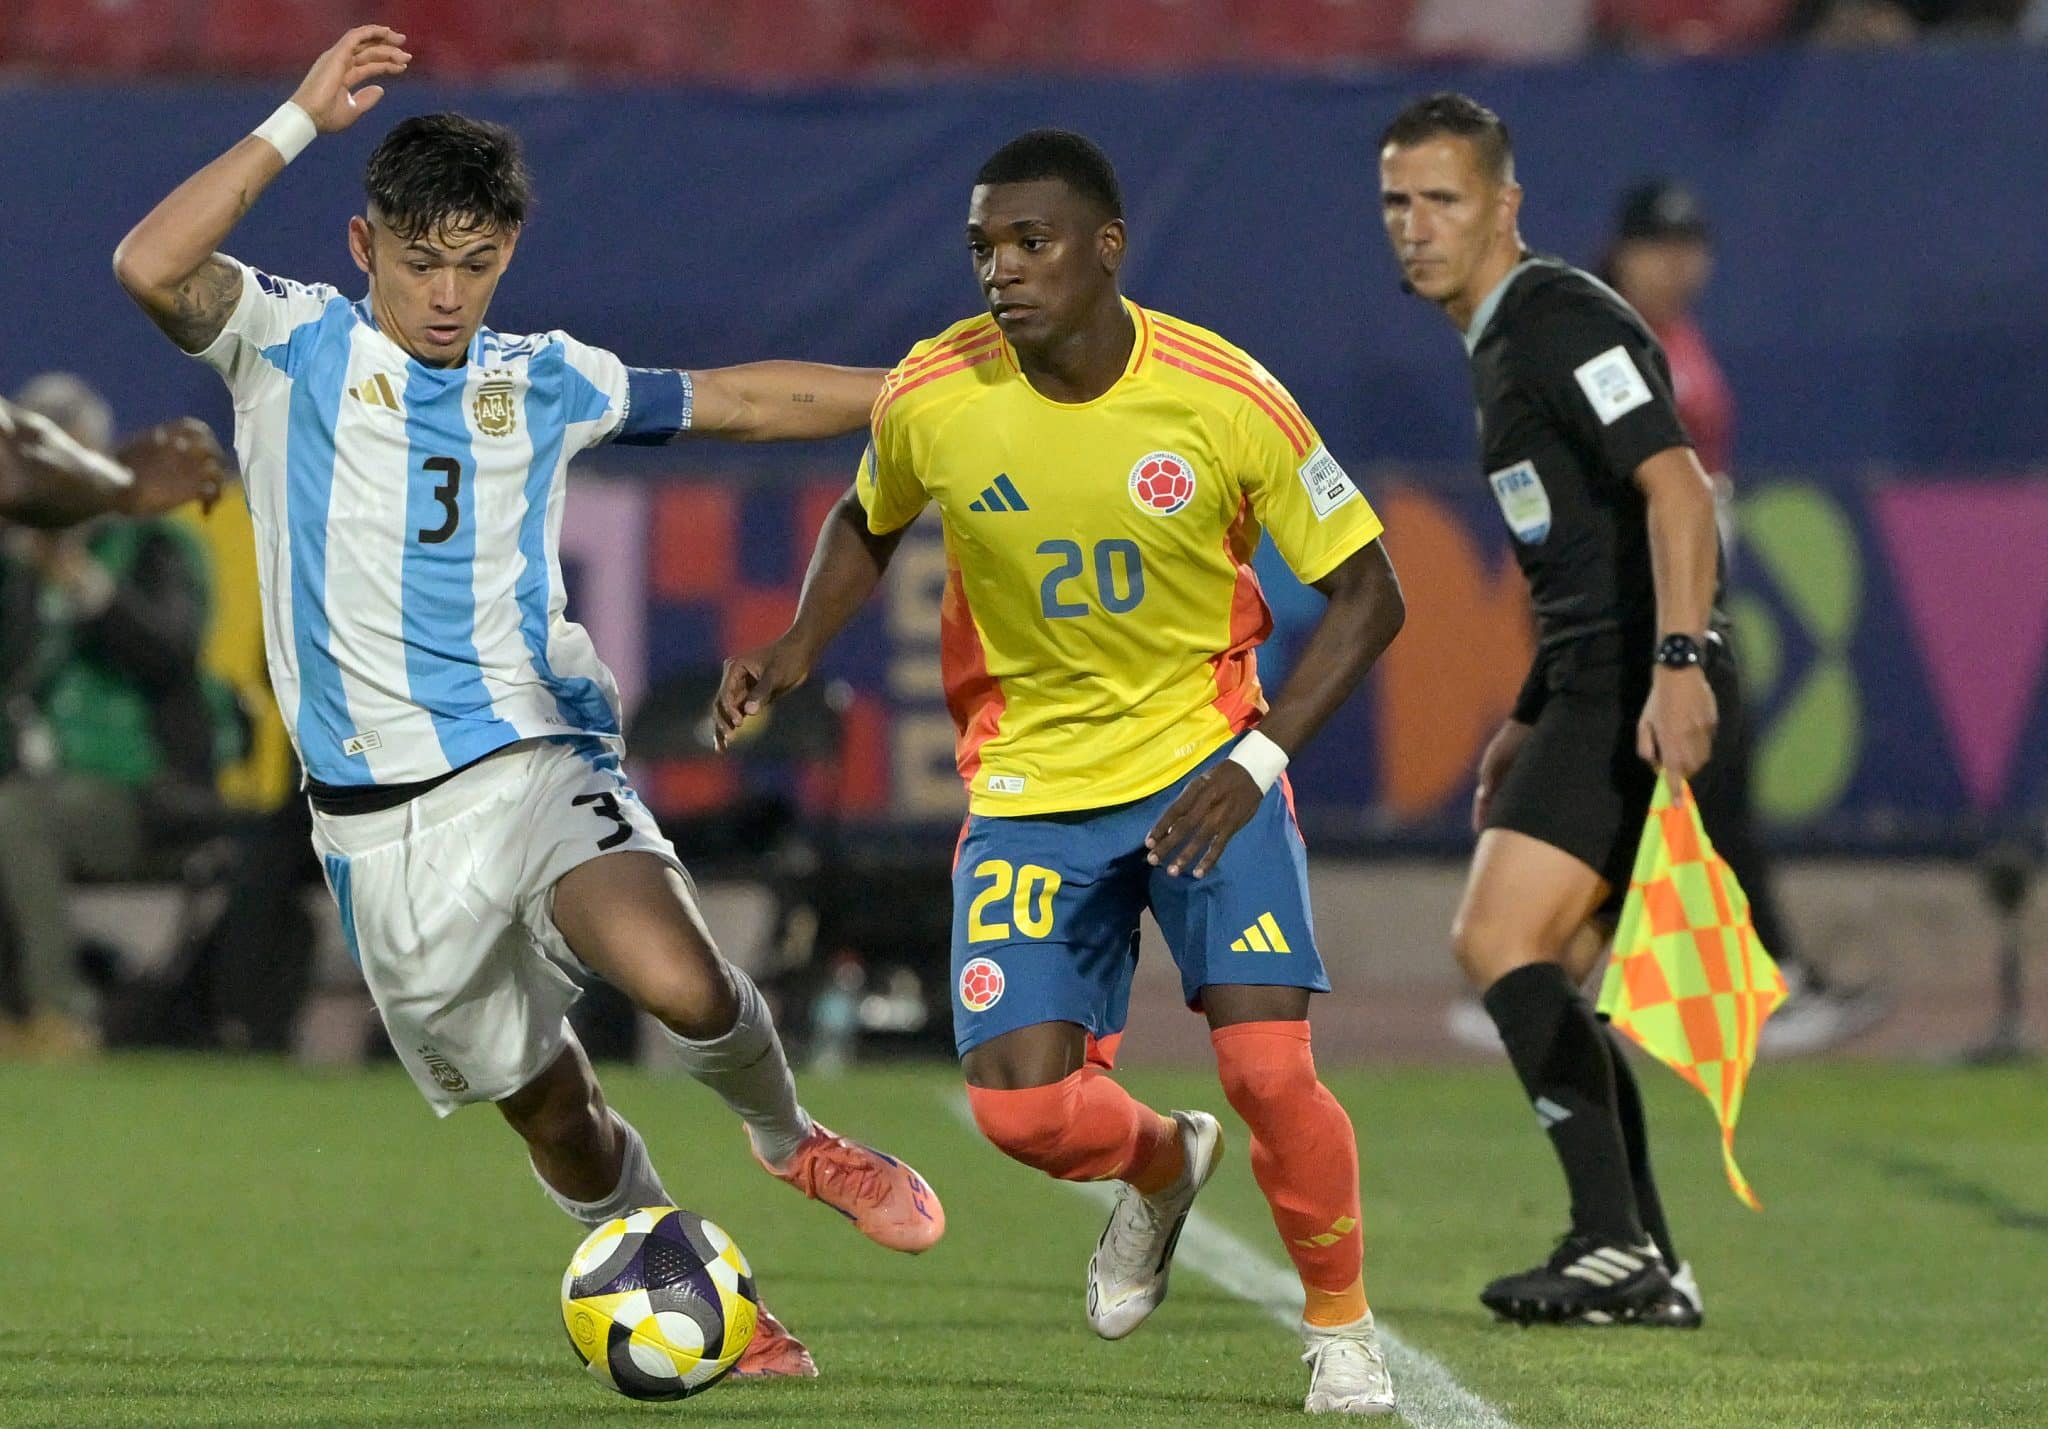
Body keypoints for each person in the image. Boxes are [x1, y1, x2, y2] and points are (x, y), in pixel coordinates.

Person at [113, 25, 943, 1378]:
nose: (451, 296)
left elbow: (735, 400)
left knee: (679, 978)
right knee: (561, 1118)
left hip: (530, 756)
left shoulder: (540, 377)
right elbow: (147, 265)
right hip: (377, 838)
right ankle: (695, 1295)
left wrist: (934, 396)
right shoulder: (286, 344)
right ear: (364, 246)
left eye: (479, 264)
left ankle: (795, 1141)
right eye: (424, 261)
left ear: (509, 256)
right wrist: (299, 114)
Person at [717, 129, 1407, 1415]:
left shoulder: (1222, 395)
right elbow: (868, 518)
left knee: (1266, 1070)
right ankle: (1158, 1165)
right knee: (1024, 1117)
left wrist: (1256, 760)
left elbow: (1372, 593)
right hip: (1031, 787)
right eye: (983, 247)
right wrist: (796, 642)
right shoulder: (935, 391)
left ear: (1106, 250)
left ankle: (1340, 1328)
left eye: (1030, 243)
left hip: (1206, 771)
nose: (1002, 272)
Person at [1378, 92, 1736, 1327]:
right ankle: (1643, 1260)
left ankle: (1609, 1242)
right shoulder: (1498, 338)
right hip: (1588, 679)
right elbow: (1574, 553)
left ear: (1503, 207)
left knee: (1497, 939)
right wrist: (1528, 711)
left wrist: (1679, 662)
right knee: (1552, 970)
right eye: (1396, 202)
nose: (1414, 227)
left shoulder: (1553, 317)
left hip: (1635, 675)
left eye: (1442, 200)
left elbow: (1678, 492)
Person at [1602, 179, 1888, 1057]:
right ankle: (1769, 978)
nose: (1679, 264)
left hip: (1693, 589)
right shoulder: (1611, 339)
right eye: (1660, 245)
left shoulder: (1678, 335)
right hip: (1649, 598)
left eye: (1692, 246)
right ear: (1623, 250)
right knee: (1701, 788)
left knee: (1682, 794)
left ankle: (1578, 979)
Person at [0, 377, 233, 1058]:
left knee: (16, 813)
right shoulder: (14, 569)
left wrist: (79, 579)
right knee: (16, 807)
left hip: (150, 791)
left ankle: (60, 1012)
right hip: (42, 785)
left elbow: (169, 655)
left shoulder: (154, 548)